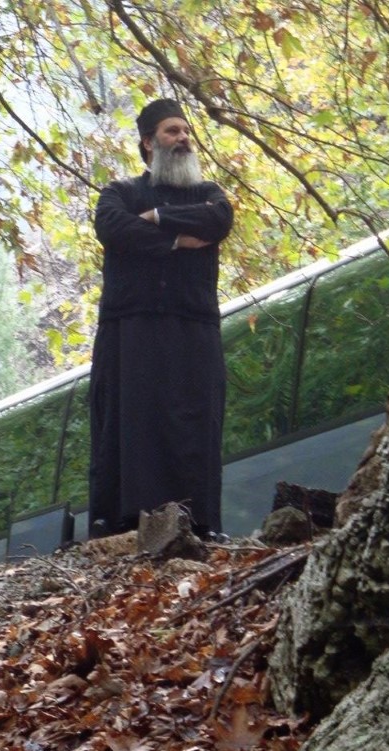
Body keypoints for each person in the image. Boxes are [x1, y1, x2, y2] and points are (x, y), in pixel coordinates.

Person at [89, 97, 234, 540]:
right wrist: (174, 241)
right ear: (149, 142)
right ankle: (128, 523)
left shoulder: (208, 194)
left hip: (193, 328)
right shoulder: (121, 193)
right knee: (134, 424)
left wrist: (157, 217)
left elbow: (219, 219)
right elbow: (113, 226)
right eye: (173, 131)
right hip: (132, 332)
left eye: (187, 131)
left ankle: (198, 524)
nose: (184, 138)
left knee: (195, 424)